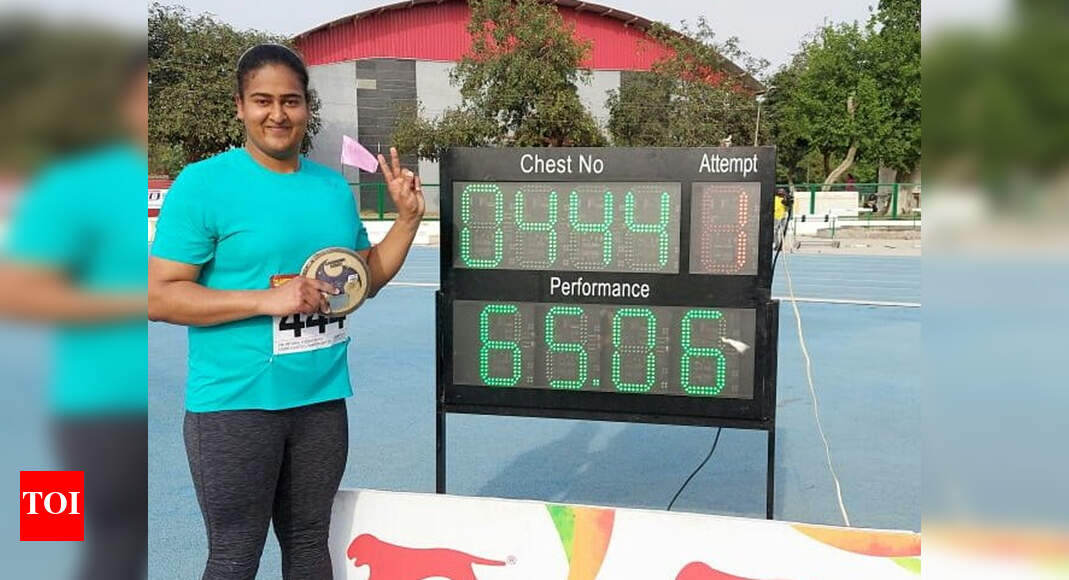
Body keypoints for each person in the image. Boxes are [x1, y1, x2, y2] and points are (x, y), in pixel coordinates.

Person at [147, 44, 425, 579]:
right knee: (235, 557)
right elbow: (159, 296)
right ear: (240, 106)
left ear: (307, 107)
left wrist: (407, 221)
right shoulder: (203, 185)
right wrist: (265, 299)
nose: (277, 114)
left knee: (310, 550)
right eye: (263, 101)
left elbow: (363, 279)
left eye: (291, 101)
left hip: (320, 402)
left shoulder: (330, 187)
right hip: (235, 405)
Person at [0, 47, 149, 579]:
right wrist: (136, 301)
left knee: (126, 545)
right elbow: (14, 294)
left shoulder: (186, 185)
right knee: (85, 550)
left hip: (159, 408)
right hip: (88, 408)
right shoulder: (75, 183)